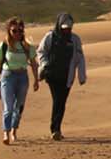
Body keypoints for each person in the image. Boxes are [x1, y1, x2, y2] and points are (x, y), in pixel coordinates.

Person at [35, 12, 87, 140]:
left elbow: (80, 58)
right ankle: (55, 129)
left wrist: (81, 76)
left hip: (67, 76)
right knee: (58, 100)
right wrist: (45, 64)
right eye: (64, 28)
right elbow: (41, 51)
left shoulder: (75, 39)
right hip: (52, 75)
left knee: (61, 102)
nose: (66, 30)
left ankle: (56, 128)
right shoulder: (50, 36)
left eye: (69, 28)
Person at [0, 17, 36, 144]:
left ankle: (14, 130)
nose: (17, 34)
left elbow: (34, 63)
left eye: (20, 31)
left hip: (22, 77)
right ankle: (6, 132)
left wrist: (36, 80)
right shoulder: (3, 46)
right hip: (8, 76)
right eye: (14, 31)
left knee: (19, 106)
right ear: (9, 31)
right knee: (8, 106)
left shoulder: (27, 46)